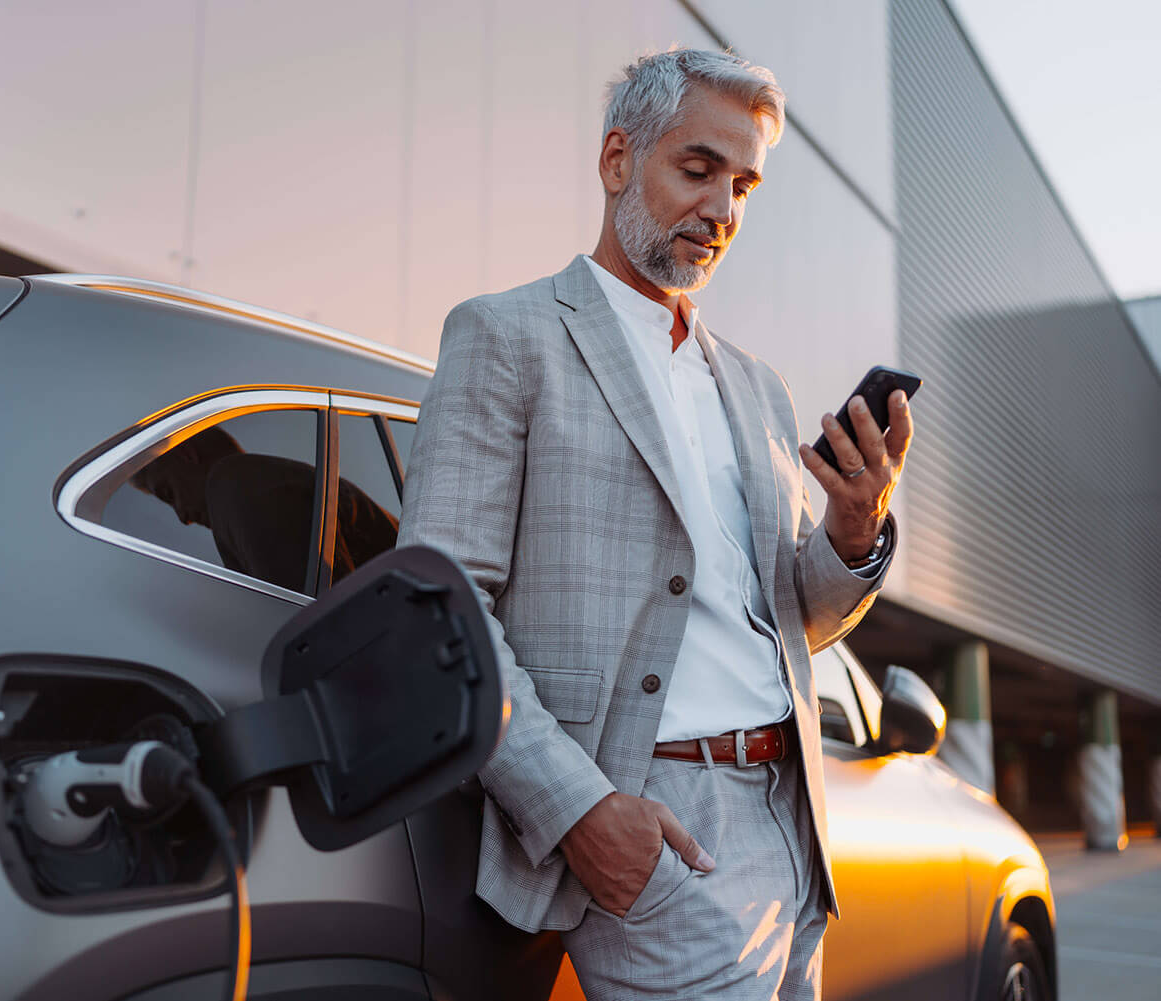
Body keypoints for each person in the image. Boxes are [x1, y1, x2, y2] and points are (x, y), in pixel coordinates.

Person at [396, 48, 913, 1000]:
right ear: (617, 160)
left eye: (745, 184)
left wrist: (850, 532)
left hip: (792, 818)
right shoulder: (507, 337)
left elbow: (797, 615)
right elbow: (441, 608)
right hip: (658, 825)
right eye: (698, 168)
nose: (722, 209)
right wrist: (583, 812)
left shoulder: (757, 385)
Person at [129, 426, 399, 592]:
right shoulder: (254, 485)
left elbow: (332, 627)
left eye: (169, 494)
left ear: (187, 454)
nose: (182, 517)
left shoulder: (241, 489)